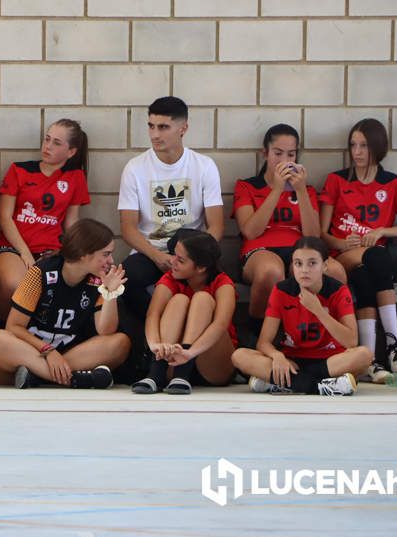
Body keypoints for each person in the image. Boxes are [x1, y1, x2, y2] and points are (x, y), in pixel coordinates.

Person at [319, 118, 397, 383]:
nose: (357, 152)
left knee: (368, 274)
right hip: (343, 255)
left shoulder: (392, 183)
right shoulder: (336, 181)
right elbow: (321, 233)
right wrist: (341, 243)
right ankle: (395, 344)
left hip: (374, 262)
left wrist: (382, 231)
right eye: (353, 145)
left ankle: (369, 360)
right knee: (377, 257)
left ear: (377, 147)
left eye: (364, 145)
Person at [0, 219, 131, 389]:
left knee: (120, 342)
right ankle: (72, 379)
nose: (111, 260)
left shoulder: (100, 279)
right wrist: (48, 351)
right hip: (32, 351)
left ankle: (38, 377)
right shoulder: (40, 272)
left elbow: (105, 331)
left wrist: (111, 293)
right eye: (105, 254)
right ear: (84, 254)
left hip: (70, 354)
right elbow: (13, 327)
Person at [233, 124, 345, 339]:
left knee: (335, 270)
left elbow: (313, 236)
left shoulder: (306, 189)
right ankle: (259, 337)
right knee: (270, 271)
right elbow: (250, 231)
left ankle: (326, 337)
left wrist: (300, 191)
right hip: (260, 252)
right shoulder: (247, 187)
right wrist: (276, 189)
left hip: (299, 251)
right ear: (265, 154)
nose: (284, 160)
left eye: (291, 154)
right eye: (277, 153)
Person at [118, 96, 224, 317]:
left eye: (163, 127)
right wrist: (157, 256)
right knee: (127, 278)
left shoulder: (204, 166)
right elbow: (128, 229)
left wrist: (191, 257)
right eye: (151, 126)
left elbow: (216, 227)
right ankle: (148, 343)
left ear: (183, 128)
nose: (155, 135)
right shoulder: (135, 168)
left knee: (217, 286)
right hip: (150, 251)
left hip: (191, 250)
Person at [232, 237, 372, 396]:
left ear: (325, 266)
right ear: (292, 266)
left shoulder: (338, 291)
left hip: (329, 360)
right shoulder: (282, 290)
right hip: (292, 361)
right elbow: (264, 343)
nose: (304, 270)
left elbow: (351, 341)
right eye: (298, 263)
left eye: (312, 263)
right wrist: (277, 355)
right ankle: (321, 385)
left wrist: (319, 311)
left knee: (364, 355)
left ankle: (285, 384)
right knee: (239, 356)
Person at [0, 119, 89, 323]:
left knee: (63, 284)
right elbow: (4, 217)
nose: (48, 146)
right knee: (15, 284)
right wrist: (25, 252)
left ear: (71, 152)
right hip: (12, 249)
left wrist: (72, 253)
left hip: (50, 250)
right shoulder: (19, 170)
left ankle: (37, 337)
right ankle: (3, 334)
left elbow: (71, 223)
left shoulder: (75, 177)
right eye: (47, 139)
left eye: (57, 143)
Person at [131, 231, 237, 395]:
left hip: (213, 364)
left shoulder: (223, 283)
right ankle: (156, 373)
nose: (172, 261)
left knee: (202, 298)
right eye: (174, 255)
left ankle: (183, 372)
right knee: (179, 299)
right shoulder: (171, 278)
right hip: (172, 364)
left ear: (201, 267)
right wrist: (155, 345)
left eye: (180, 260)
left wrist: (189, 353)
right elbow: (153, 314)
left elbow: (220, 324)